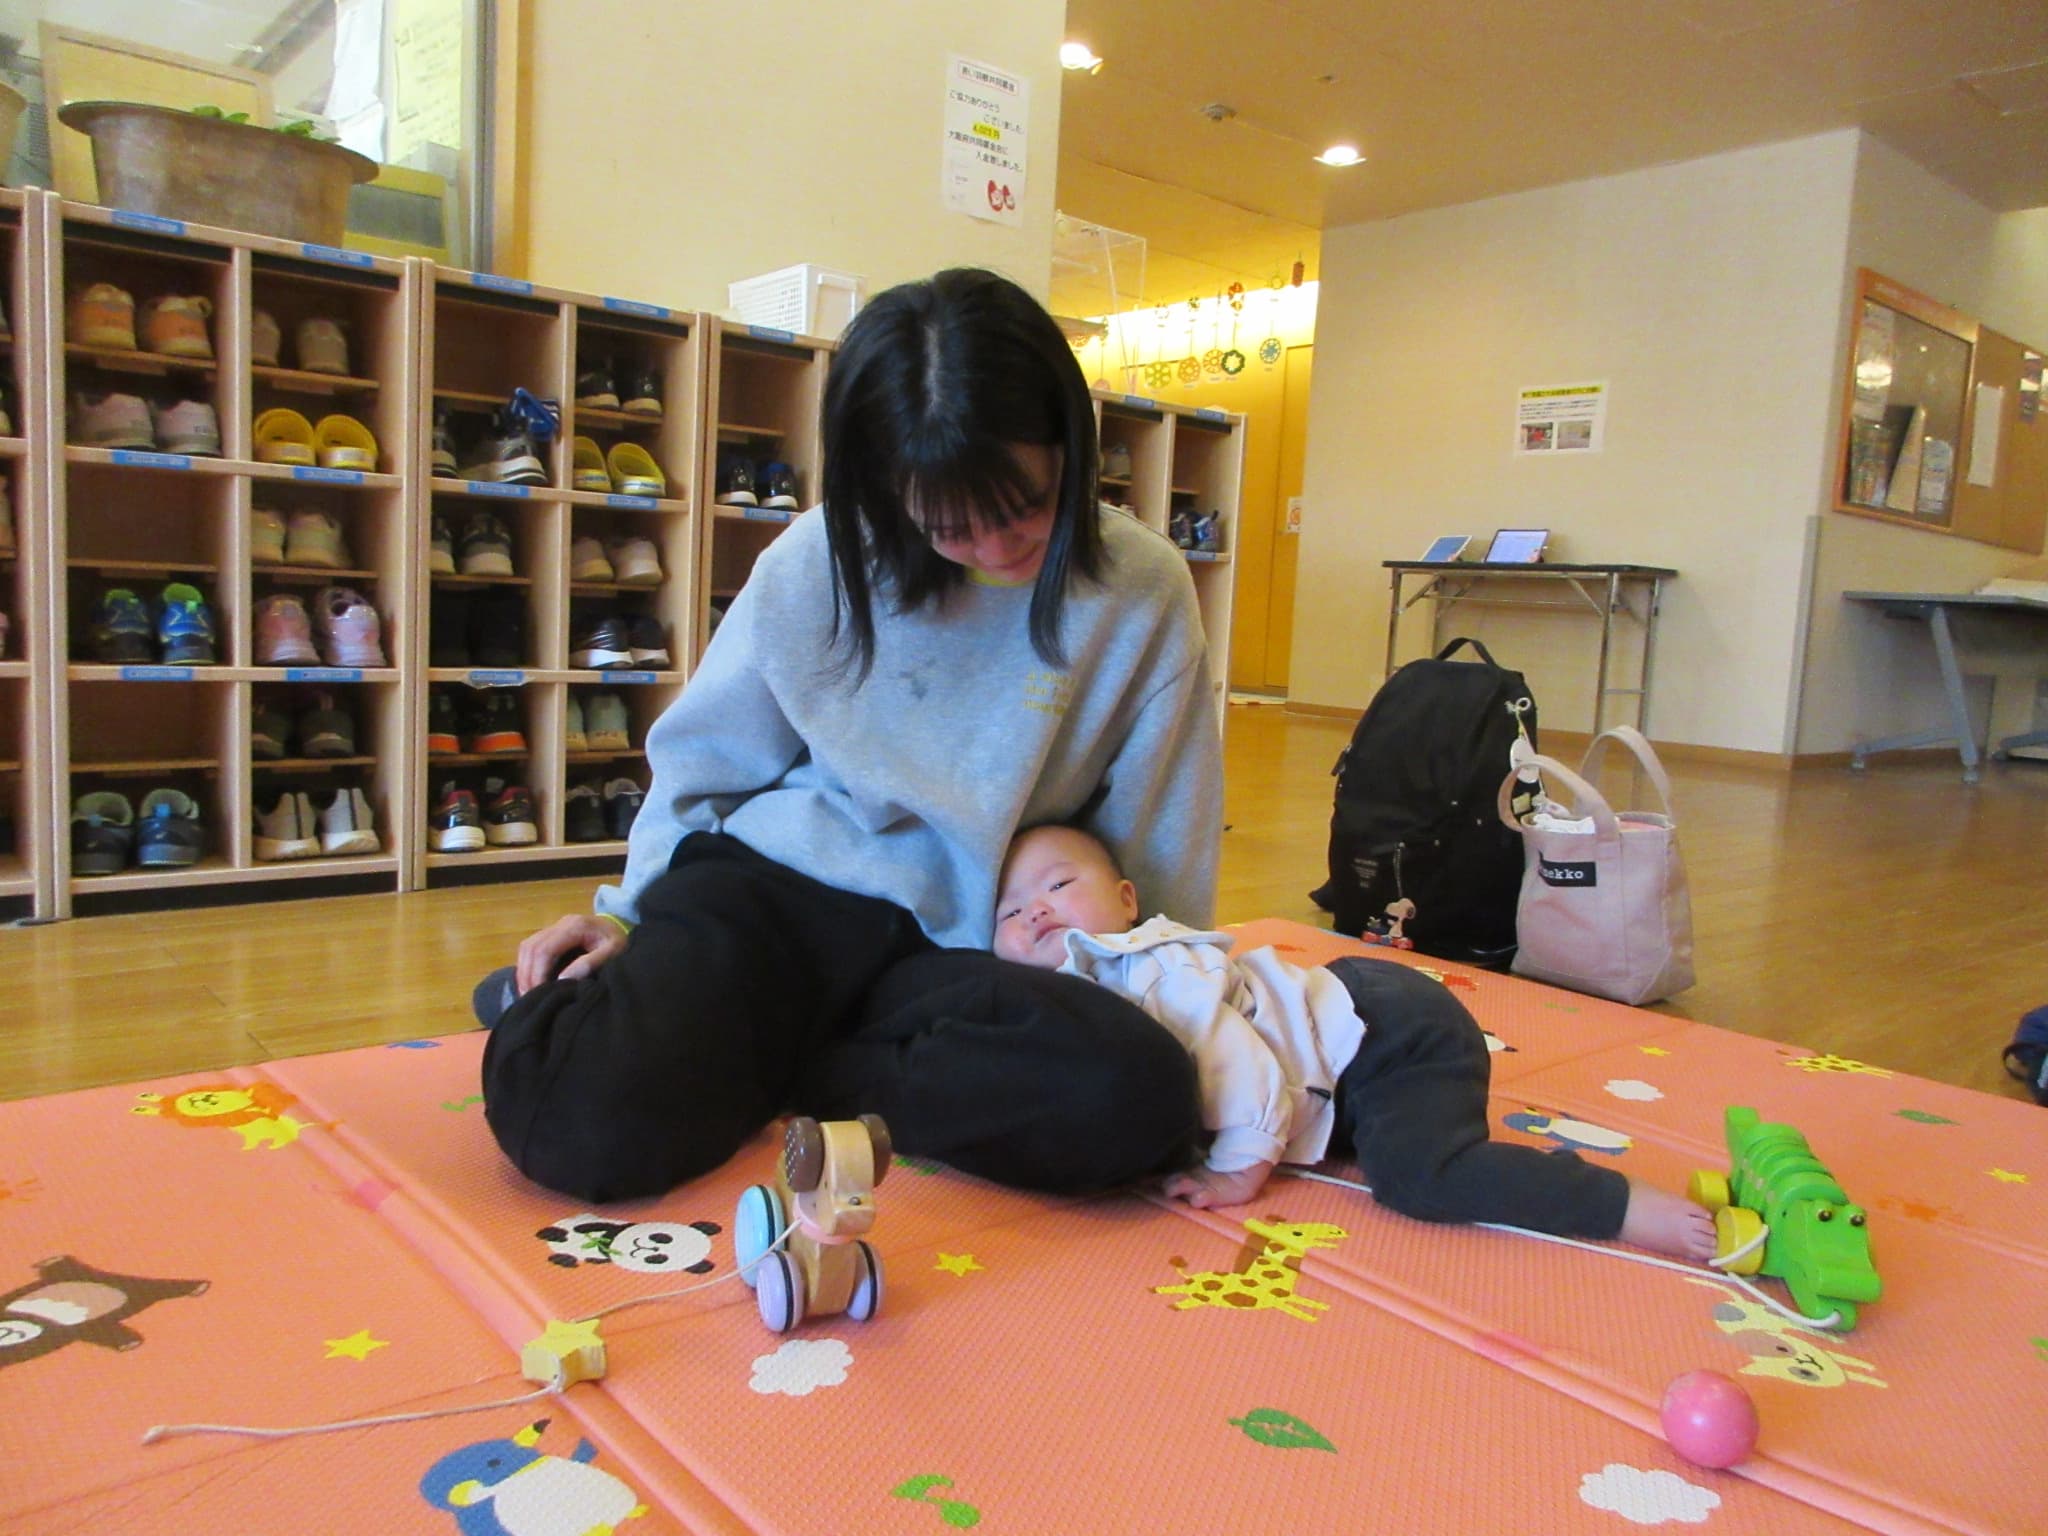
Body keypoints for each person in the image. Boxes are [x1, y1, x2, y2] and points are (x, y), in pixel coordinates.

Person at [478, 269, 1224, 1205]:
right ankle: (665, 1025)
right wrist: (626, 914)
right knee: (568, 1114)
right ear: (888, 491)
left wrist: (1172, 981)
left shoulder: (1143, 587)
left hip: (969, 939)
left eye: (1024, 508)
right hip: (778, 893)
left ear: (1067, 445)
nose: (997, 550)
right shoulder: (818, 556)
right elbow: (707, 759)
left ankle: (781, 1063)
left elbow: (1163, 814)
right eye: (951, 526)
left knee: (1142, 1094)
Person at [993, 823, 1719, 1260]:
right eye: (1011, 910)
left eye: (1058, 884)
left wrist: (1237, 1170)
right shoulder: (1065, 1005)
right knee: (1364, 1144)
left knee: (1419, 1178)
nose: (1036, 911)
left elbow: (1233, 1059)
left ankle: (1618, 1203)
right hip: (1346, 1043)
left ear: (1127, 900)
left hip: (1388, 1033)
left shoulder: (1151, 964)